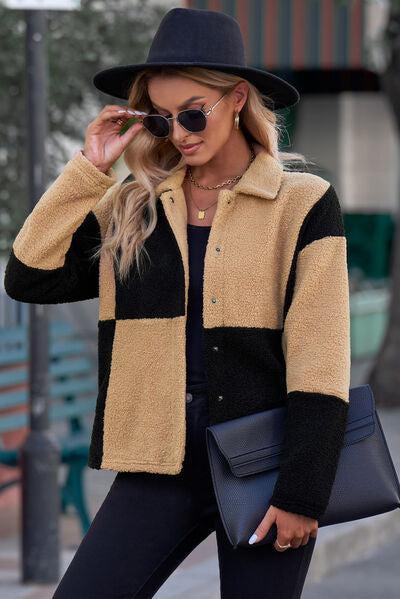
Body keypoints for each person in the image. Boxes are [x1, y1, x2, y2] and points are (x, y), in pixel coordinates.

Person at [4, 8, 351, 599]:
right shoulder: (133, 207)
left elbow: (320, 361)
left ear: (238, 98)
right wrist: (88, 170)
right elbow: (29, 276)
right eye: (162, 121)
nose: (181, 132)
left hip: (263, 468)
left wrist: (302, 493)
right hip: (155, 461)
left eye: (193, 112)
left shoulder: (301, 203)